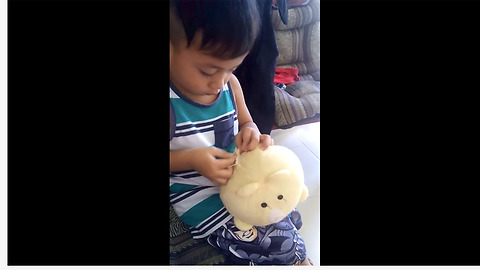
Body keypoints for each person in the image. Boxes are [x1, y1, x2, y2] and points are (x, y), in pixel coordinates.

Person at [169, 0, 312, 265]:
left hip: (241, 181)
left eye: (231, 69)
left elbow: (247, 123)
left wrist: (252, 134)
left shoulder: (229, 84)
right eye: (208, 70)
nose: (219, 82)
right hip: (200, 197)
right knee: (283, 245)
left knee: (284, 202)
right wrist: (192, 160)